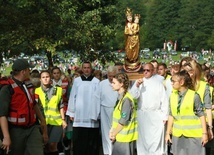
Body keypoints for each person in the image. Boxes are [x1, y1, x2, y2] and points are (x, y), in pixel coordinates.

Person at [0, 59, 47, 155]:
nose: (30, 71)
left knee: (38, 152)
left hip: (32, 127)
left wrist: (42, 120)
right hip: (16, 130)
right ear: (23, 72)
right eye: (28, 69)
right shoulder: (7, 88)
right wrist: (6, 137)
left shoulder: (28, 84)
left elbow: (33, 104)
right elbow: (2, 114)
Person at [165, 70, 208, 155]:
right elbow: (171, 115)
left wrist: (205, 133)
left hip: (193, 135)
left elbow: (201, 115)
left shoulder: (194, 96)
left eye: (173, 81)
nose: (171, 83)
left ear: (181, 82)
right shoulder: (172, 96)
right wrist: (167, 133)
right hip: (178, 135)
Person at [130, 62, 169, 155]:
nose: (145, 72)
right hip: (143, 115)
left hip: (155, 115)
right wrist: (136, 86)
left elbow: (164, 101)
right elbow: (133, 96)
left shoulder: (158, 84)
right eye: (144, 70)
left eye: (148, 70)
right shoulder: (139, 82)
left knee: (155, 140)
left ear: (153, 71)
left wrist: (165, 116)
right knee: (142, 140)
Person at [66, 61, 100, 155]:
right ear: (82, 69)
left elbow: (98, 99)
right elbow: (73, 96)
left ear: (91, 69)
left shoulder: (96, 82)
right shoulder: (77, 81)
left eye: (88, 67)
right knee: (79, 143)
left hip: (91, 116)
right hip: (79, 116)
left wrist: (97, 114)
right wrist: (71, 113)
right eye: (84, 68)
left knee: (91, 144)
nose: (86, 69)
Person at [35, 70, 67, 155]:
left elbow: (60, 105)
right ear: (40, 79)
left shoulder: (58, 90)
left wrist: (63, 119)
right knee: (45, 146)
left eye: (47, 77)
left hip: (56, 122)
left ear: (50, 78)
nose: (45, 79)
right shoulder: (36, 91)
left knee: (52, 145)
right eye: (43, 77)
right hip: (42, 122)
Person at [109, 72, 138, 155]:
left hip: (125, 138)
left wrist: (113, 133)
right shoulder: (121, 98)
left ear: (121, 84)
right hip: (119, 137)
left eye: (114, 83)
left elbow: (123, 120)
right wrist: (112, 131)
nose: (112, 84)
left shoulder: (126, 100)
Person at [51, 66, 71, 155]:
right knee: (57, 132)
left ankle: (66, 145)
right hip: (53, 112)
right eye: (54, 73)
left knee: (64, 132)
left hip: (64, 110)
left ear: (60, 74)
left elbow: (69, 95)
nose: (56, 75)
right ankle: (60, 150)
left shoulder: (65, 83)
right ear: (52, 74)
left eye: (58, 73)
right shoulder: (49, 83)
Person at [100, 66, 118, 155]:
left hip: (116, 110)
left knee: (116, 132)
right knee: (106, 133)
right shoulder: (102, 84)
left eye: (113, 76)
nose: (111, 78)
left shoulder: (119, 83)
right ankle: (107, 152)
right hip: (104, 110)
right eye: (109, 76)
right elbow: (97, 98)